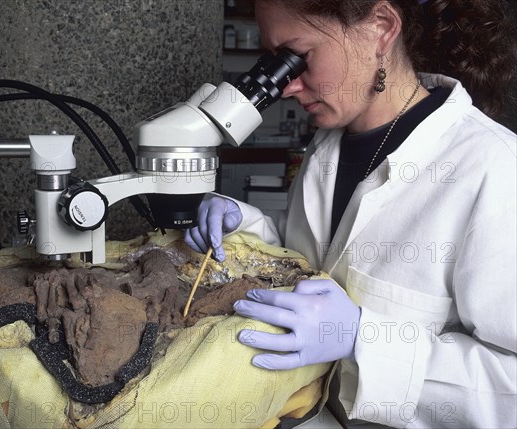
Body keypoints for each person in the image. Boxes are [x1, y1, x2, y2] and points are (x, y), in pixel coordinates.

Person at [185, 0, 517, 427]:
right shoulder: (326, 148)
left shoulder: (494, 168)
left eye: (298, 58)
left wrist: (362, 338)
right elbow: (322, 262)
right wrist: (244, 225)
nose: (286, 86)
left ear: (380, 28)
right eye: (276, 62)